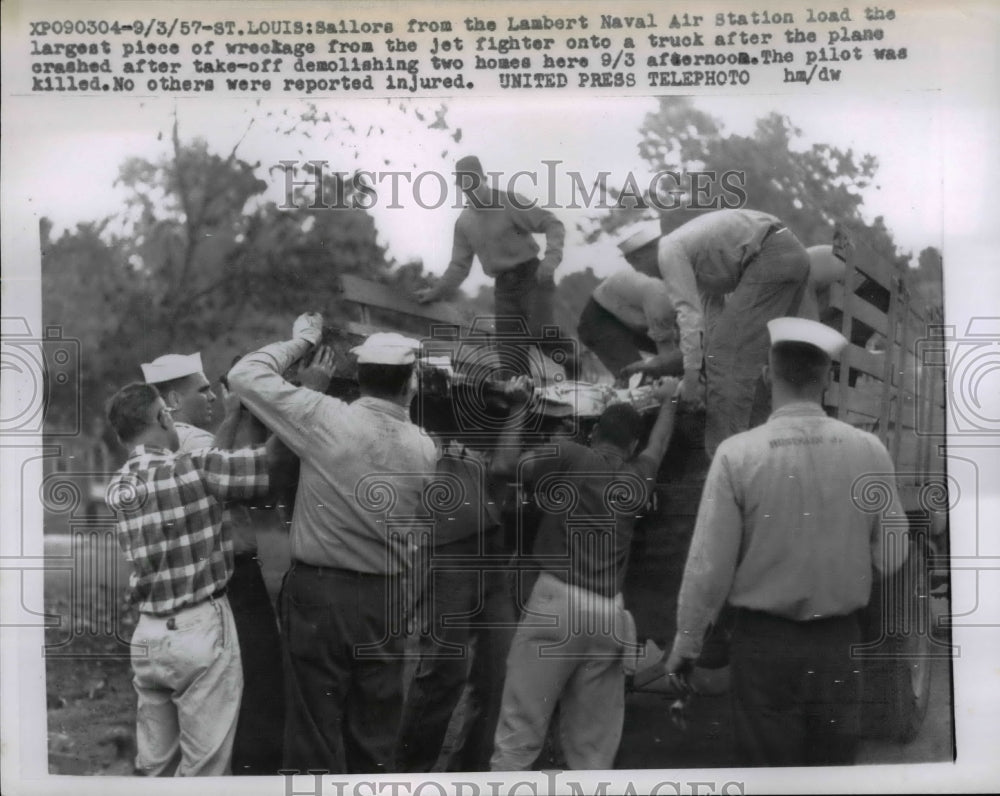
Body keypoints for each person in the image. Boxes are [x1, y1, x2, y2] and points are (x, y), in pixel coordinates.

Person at [664, 317, 909, 766]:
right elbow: (893, 553)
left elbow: (708, 568)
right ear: (827, 379)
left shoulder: (737, 455)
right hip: (838, 643)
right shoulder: (869, 451)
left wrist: (687, 644)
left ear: (765, 376)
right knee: (832, 772)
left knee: (769, 774)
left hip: (764, 648)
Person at [227, 317, 438, 774]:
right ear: (410, 383)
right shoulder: (424, 447)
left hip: (320, 594)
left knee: (312, 734)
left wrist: (301, 340)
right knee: (375, 738)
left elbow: (244, 375)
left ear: (359, 377)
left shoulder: (325, 417)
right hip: (384, 597)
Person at [489, 377, 681, 770]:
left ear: (594, 433)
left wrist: (518, 407)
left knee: (517, 740)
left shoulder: (570, 454)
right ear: (632, 446)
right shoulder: (637, 477)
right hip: (609, 616)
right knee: (592, 756)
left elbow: (504, 464)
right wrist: (669, 401)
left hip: (556, 605)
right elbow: (659, 445)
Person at [104, 382, 272, 776]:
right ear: (163, 418)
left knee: (155, 767)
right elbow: (268, 468)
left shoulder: (119, 485)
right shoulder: (193, 469)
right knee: (206, 769)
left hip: (148, 633)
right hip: (199, 628)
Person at [142, 351, 285, 775]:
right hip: (228, 575)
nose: (211, 398)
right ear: (172, 400)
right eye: (202, 390)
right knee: (257, 682)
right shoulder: (191, 441)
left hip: (206, 578)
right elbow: (232, 474)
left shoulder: (173, 442)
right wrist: (240, 408)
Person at [622, 211, 821, 457]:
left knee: (726, 358)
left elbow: (689, 317)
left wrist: (691, 382)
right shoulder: (691, 253)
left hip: (772, 254)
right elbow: (710, 323)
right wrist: (695, 372)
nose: (642, 273)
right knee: (750, 359)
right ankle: (761, 447)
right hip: (787, 250)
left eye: (635, 266)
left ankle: (724, 457)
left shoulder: (668, 252)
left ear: (640, 255)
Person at [394, 418, 516, 773]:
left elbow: (503, 471)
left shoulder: (495, 412)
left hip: (490, 551)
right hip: (447, 550)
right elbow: (501, 468)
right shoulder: (432, 412)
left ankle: (468, 775)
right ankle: (407, 778)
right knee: (445, 672)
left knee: (497, 674)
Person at [415, 155, 570, 379]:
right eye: (466, 186)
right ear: (461, 188)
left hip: (532, 277)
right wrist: (434, 292)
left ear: (484, 179)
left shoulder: (509, 201)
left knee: (541, 333)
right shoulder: (464, 222)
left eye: (475, 183)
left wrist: (551, 259)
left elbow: (552, 223)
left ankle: (574, 364)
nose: (472, 191)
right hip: (504, 289)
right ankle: (522, 397)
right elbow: (459, 266)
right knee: (509, 357)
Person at [577, 229, 683, 379]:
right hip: (600, 319)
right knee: (637, 378)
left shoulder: (673, 276)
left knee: (681, 358)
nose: (633, 266)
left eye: (633, 260)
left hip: (631, 317)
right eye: (630, 261)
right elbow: (666, 355)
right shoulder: (656, 290)